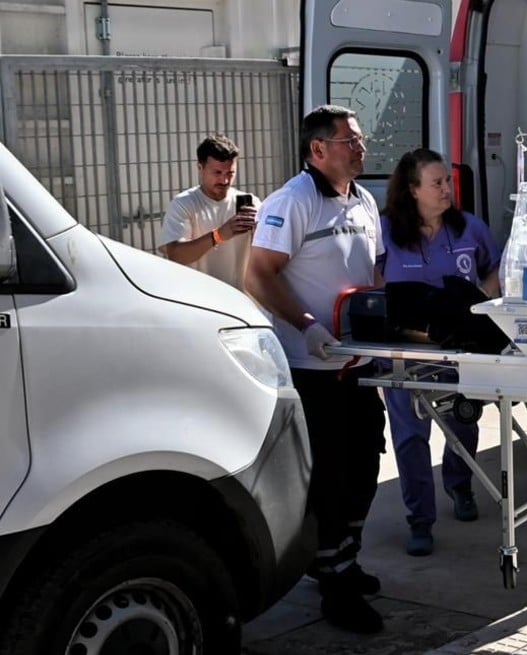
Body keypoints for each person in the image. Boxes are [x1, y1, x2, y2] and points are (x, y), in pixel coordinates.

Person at [243, 105, 387, 634]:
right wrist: (307, 327)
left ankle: (343, 558)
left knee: (366, 468)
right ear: (318, 149)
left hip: (359, 362)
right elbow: (257, 275)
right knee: (330, 477)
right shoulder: (293, 201)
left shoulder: (364, 199)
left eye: (360, 137)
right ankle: (335, 585)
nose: (360, 146)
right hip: (312, 365)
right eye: (349, 140)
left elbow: (373, 271)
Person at [378, 148, 501, 557]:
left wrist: (481, 297)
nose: (447, 188)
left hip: (459, 348)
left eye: (447, 181)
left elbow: (498, 267)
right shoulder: (384, 232)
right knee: (411, 435)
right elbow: (371, 285)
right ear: (412, 190)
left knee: (463, 420)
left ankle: (460, 484)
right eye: (437, 182)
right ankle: (420, 520)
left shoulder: (469, 228)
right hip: (406, 352)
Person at [158, 134, 258, 289]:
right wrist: (219, 235)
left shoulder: (251, 202)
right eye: (217, 173)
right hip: (201, 301)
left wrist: (260, 231)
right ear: (200, 168)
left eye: (230, 173)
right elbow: (176, 255)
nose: (225, 181)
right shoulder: (183, 203)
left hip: (241, 301)